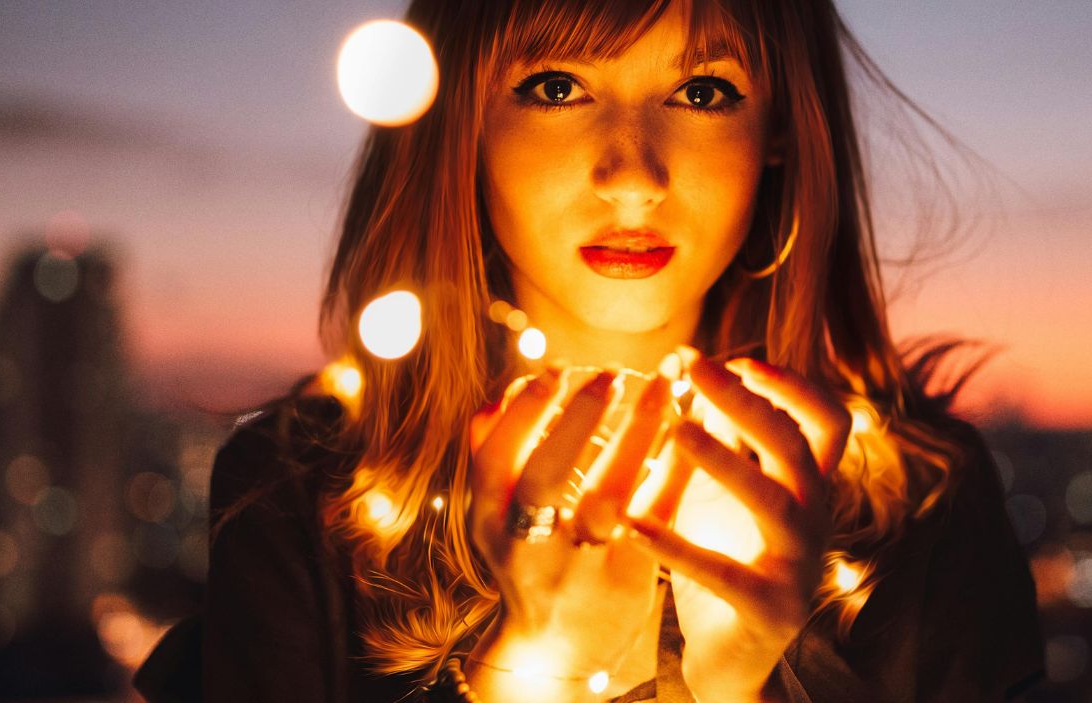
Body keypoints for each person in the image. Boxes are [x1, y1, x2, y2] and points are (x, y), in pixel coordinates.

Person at [134, 0, 1043, 700]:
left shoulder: (924, 508)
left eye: (703, 91)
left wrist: (745, 686)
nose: (634, 176)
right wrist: (534, 671)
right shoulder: (307, 499)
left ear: (778, 131)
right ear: (464, 121)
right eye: (557, 85)